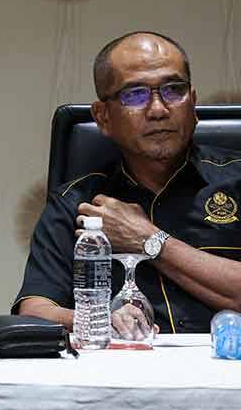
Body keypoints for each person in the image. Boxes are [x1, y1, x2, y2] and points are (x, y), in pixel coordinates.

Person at [15, 31, 241, 335]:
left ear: (194, 103)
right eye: (135, 95)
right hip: (121, 373)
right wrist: (97, 320)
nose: (159, 110)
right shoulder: (76, 203)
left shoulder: (236, 179)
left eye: (174, 90)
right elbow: (36, 310)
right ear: (103, 117)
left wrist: (149, 240)